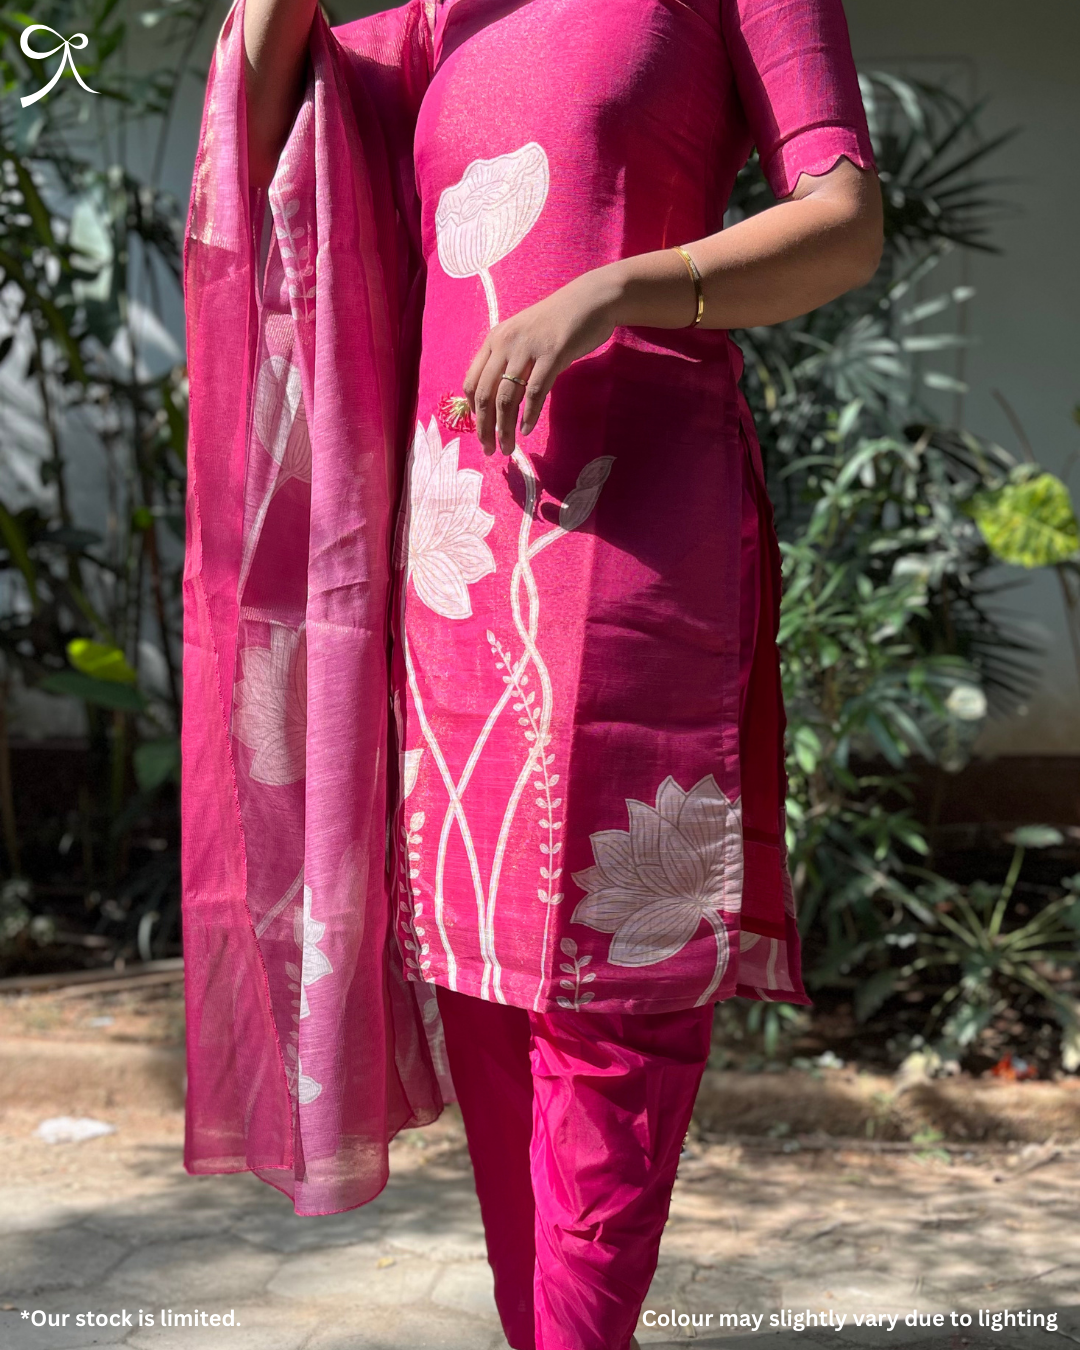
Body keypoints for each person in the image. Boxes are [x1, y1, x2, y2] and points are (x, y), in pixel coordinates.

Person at [181, 0, 882, 1347]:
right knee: (489, 997)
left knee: (612, 1010)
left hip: (640, 555)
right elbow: (258, 141)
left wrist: (623, 285)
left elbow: (846, 220)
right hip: (454, 564)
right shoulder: (443, 16)